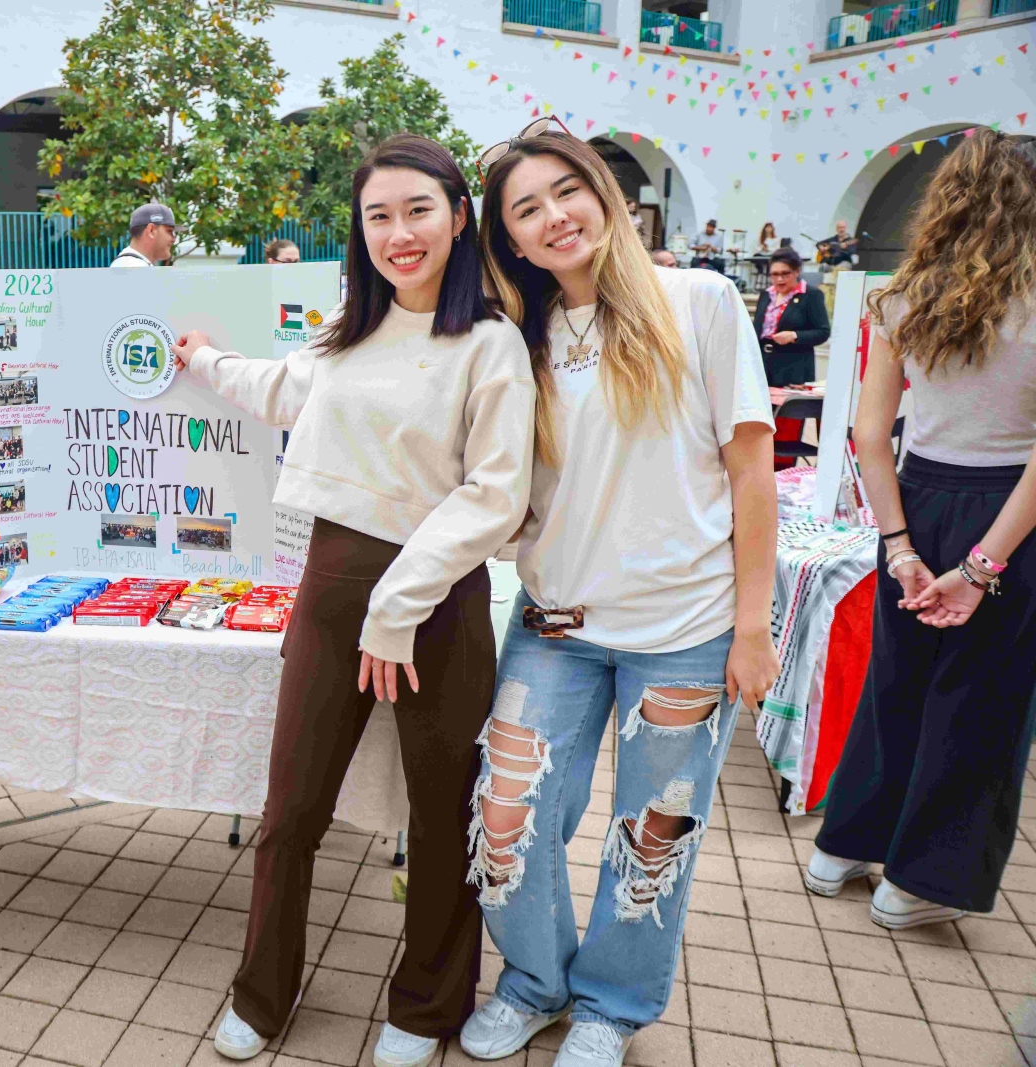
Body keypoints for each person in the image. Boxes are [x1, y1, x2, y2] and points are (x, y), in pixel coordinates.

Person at [171, 134, 535, 1067]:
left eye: (419, 209)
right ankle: (264, 988)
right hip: (332, 587)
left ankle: (425, 1004)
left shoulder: (490, 344)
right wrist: (205, 356)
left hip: (440, 598)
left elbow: (495, 495)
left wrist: (398, 604)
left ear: (460, 217)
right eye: (379, 215)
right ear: (360, 230)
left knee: (441, 811)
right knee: (291, 808)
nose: (399, 232)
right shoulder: (346, 331)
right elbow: (279, 390)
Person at [460, 119, 778, 1067]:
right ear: (509, 239)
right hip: (553, 625)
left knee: (654, 838)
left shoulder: (703, 301)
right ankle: (534, 981)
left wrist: (752, 627)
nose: (554, 216)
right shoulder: (515, 336)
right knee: (506, 816)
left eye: (568, 191)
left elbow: (751, 470)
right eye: (526, 208)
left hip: (684, 631)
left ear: (604, 194)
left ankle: (611, 1005)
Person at [805, 133, 1036, 930]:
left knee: (895, 681)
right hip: (1012, 514)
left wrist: (900, 545)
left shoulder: (903, 295)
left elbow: (871, 435)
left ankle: (841, 848)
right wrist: (982, 569)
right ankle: (917, 882)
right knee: (981, 701)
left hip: (915, 498)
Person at [753, 247, 829, 387]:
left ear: (797, 271)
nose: (779, 279)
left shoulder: (811, 295)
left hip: (793, 369)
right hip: (763, 366)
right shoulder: (766, 295)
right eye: (774, 275)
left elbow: (823, 332)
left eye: (785, 274)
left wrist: (794, 336)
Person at [110, 203, 177, 268]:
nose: (173, 239)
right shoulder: (134, 267)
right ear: (151, 230)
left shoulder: (128, 264)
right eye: (169, 231)